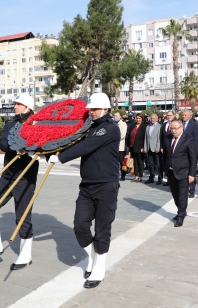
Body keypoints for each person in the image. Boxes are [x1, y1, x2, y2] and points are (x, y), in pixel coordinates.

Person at [48, 92, 120, 289]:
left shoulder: (110, 129)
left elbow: (87, 146)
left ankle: (99, 268)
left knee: (102, 228)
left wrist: (60, 158)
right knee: (80, 225)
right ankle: (92, 256)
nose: (92, 112)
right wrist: (45, 149)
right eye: (91, 109)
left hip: (106, 185)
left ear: (106, 109)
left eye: (95, 109)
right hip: (87, 185)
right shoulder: (90, 128)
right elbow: (74, 140)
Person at [0, 94, 39, 270]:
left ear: (28, 108)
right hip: (7, 175)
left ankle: (25, 254)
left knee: (22, 217)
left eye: (19, 104)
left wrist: (29, 148)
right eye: (15, 104)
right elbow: (3, 144)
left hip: (25, 178)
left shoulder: (36, 126)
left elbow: (42, 146)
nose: (15, 106)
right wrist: (17, 144)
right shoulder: (10, 124)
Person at [163, 119, 197, 227]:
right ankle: (181, 210)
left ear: (181, 127)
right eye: (171, 128)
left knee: (182, 195)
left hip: (184, 171)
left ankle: (181, 216)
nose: (173, 131)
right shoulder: (168, 138)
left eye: (175, 128)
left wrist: (192, 174)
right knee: (175, 194)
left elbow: (193, 158)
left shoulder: (188, 139)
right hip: (171, 171)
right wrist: (165, 170)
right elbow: (165, 156)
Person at [181, 109, 198, 195]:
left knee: (191, 170)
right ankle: (184, 188)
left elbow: (196, 138)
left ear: (189, 115)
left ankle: (192, 190)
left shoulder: (194, 124)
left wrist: (195, 151)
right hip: (182, 151)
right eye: (183, 115)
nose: (183, 116)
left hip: (191, 150)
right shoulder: (180, 123)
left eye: (185, 115)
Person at [127, 114, 147, 182]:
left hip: (140, 146)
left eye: (139, 118)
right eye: (137, 118)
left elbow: (145, 138)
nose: (138, 119)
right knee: (135, 162)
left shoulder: (144, 126)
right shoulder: (133, 125)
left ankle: (140, 176)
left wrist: (143, 147)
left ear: (142, 119)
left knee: (140, 162)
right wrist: (128, 146)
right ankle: (136, 176)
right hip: (133, 146)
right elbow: (129, 135)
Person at [143, 114, 162, 184]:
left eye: (153, 118)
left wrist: (158, 148)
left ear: (157, 119)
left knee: (158, 164)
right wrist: (145, 147)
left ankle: (160, 178)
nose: (152, 119)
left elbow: (159, 139)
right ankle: (151, 177)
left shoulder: (159, 127)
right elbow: (146, 138)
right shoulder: (148, 127)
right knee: (150, 164)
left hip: (156, 148)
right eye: (151, 118)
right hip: (149, 148)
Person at [113, 112, 128, 181]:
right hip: (113, 147)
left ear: (120, 117)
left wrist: (114, 139)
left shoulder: (123, 124)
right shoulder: (113, 124)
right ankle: (115, 175)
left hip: (120, 147)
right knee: (114, 162)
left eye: (116, 116)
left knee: (122, 162)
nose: (115, 117)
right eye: (114, 115)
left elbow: (123, 135)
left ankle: (123, 175)